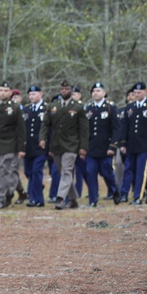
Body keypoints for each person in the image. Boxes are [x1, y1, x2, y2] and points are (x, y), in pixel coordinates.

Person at [40, 80, 88, 209]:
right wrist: (42, 139)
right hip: (56, 144)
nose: (64, 91)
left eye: (66, 89)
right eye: (62, 89)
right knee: (63, 173)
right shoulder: (53, 106)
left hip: (72, 145)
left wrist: (83, 147)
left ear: (71, 90)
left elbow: (84, 130)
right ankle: (73, 199)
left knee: (67, 171)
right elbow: (45, 124)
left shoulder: (78, 107)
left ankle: (60, 198)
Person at [118, 82, 147, 205]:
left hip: (145, 145)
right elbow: (124, 127)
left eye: (139, 92)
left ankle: (138, 197)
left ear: (145, 92)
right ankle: (126, 193)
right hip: (131, 144)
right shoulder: (129, 107)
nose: (137, 95)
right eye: (135, 93)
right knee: (129, 169)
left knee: (141, 171)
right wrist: (123, 144)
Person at [0, 82, 25, 209]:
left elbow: (21, 129)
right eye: (1, 90)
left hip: (8, 144)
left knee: (2, 172)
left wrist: (21, 148)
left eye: (6, 90)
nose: (3, 93)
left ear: (11, 92)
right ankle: (8, 194)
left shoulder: (16, 107)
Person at [80, 82, 120, 207]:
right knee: (90, 173)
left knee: (107, 172)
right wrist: (83, 147)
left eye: (98, 91)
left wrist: (113, 146)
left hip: (106, 148)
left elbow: (116, 129)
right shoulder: (88, 108)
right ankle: (93, 200)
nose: (95, 93)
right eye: (93, 91)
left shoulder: (110, 108)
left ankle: (115, 191)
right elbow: (84, 130)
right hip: (91, 149)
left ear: (104, 92)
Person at [22, 86, 48, 207]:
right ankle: (36, 191)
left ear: (41, 94)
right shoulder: (26, 109)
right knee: (28, 172)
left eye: (34, 94)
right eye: (30, 94)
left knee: (37, 170)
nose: (31, 96)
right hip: (28, 147)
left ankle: (37, 199)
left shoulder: (46, 109)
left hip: (41, 147)